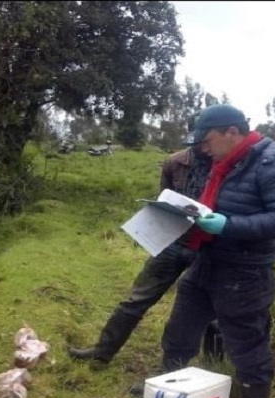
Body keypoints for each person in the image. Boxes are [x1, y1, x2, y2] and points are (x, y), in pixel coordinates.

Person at [158, 104, 275, 398]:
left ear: (232, 132)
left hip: (245, 271)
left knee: (247, 344)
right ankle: (168, 386)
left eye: (207, 140)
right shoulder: (224, 160)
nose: (202, 149)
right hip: (207, 259)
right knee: (180, 327)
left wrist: (228, 225)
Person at [67, 116, 222, 366]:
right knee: (136, 299)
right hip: (174, 242)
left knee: (211, 311)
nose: (202, 149)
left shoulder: (228, 166)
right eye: (197, 143)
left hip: (207, 249)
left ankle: (215, 368)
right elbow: (165, 198)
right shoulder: (175, 162)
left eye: (205, 142)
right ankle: (102, 351)